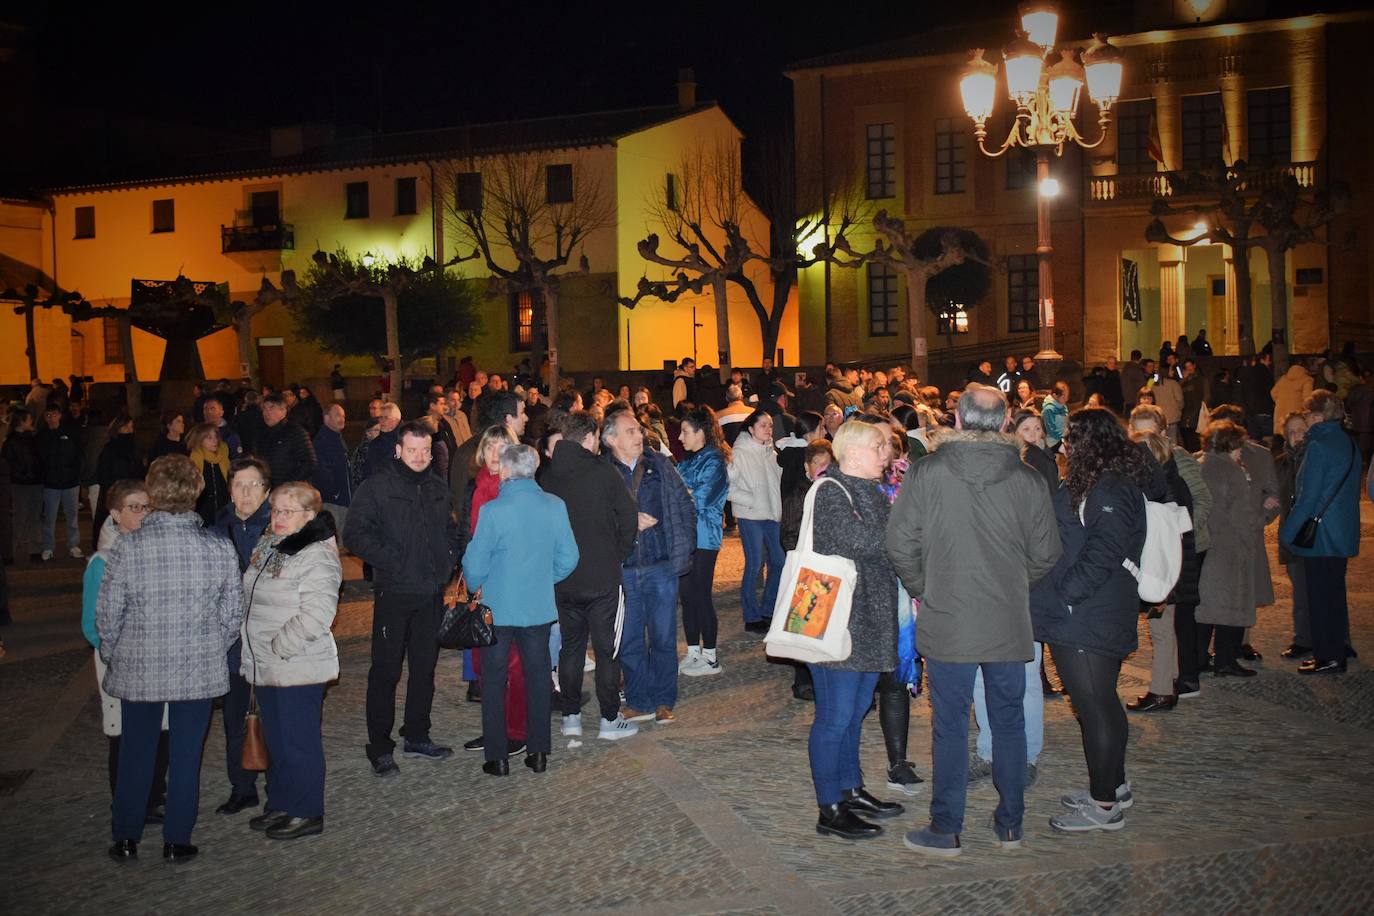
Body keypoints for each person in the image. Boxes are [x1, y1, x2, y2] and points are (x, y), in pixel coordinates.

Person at [887, 385, 1060, 856]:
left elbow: (900, 543)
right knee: (1008, 722)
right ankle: (1010, 823)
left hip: (949, 620)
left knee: (949, 725)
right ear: (1005, 424)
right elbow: (1047, 553)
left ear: (958, 421)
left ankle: (946, 827)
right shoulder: (1027, 480)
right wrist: (1012, 585)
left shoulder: (927, 473)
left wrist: (927, 587)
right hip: (1006, 619)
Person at [97, 455, 244, 862]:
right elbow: (232, 614)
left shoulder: (128, 546)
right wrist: (212, 647)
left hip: (139, 666)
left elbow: (108, 613)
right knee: (185, 756)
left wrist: (116, 653)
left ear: (154, 493)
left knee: (136, 753)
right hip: (196, 668)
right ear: (195, 492)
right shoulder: (217, 546)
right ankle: (177, 839)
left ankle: (126, 837)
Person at [783, 419, 905, 840]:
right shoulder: (831, 491)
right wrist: (903, 531)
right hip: (839, 622)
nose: (886, 454)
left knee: (856, 712)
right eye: (879, 446)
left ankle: (851, 789)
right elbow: (859, 542)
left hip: (868, 619)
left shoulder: (870, 490)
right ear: (853, 452)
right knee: (834, 716)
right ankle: (829, 808)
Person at [1036, 408, 1149, 833]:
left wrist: (1067, 597)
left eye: (1071, 437)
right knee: (1100, 703)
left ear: (1091, 443)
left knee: (1094, 707)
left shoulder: (1109, 487)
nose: (1064, 444)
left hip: (1089, 615)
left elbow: (1104, 549)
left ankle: (1104, 806)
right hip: (1089, 612)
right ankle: (1113, 786)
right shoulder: (1099, 481)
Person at [345, 421, 462, 776]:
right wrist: (392, 560)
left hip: (430, 593)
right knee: (385, 672)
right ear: (398, 450)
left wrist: (450, 559)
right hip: (394, 592)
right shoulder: (377, 487)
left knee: (424, 670)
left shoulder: (436, 486)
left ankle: (417, 734)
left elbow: (449, 529)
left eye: (425, 450)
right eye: (412, 450)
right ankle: (380, 746)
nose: (419, 456)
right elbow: (355, 534)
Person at [463, 445, 579, 775]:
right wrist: (546, 578)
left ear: (507, 471)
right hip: (538, 608)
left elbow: (474, 562)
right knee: (539, 677)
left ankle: (497, 757)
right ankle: (539, 751)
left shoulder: (494, 511)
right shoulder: (555, 506)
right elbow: (570, 557)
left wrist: (477, 587)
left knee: (494, 680)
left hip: (498, 609)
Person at [240, 481, 341, 839]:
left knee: (299, 741)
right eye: (275, 510)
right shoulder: (271, 545)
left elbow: (318, 614)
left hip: (297, 664)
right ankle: (281, 802)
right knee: (278, 741)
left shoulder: (314, 553)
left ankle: (307, 810)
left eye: (287, 511)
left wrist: (279, 646)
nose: (278, 517)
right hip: (267, 664)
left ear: (309, 516)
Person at [539, 411, 641, 740]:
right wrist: (619, 553)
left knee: (571, 648)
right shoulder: (602, 471)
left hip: (563, 579)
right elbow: (629, 516)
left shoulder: (547, 476)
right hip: (601, 577)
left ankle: (571, 716)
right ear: (590, 438)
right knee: (606, 649)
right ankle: (609, 719)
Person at [602, 410, 696, 726]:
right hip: (623, 569)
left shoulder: (659, 465)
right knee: (629, 640)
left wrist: (681, 546)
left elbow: (684, 504)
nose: (639, 435)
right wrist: (628, 524)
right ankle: (639, 700)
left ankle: (664, 700)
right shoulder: (602, 473)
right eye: (630, 431)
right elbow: (593, 520)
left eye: (639, 430)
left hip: (660, 566)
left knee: (664, 638)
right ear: (611, 438)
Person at [82, 480, 166, 822]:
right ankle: (126, 800)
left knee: (162, 730)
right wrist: (120, 654)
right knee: (125, 734)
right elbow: (92, 625)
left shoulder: (156, 552)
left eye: (147, 506)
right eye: (135, 507)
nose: (143, 514)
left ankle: (154, 796)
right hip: (120, 662)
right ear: (115, 514)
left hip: (157, 657)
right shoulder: (102, 562)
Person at [1282, 391, 1361, 674]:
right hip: (1343, 531)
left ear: (1317, 415)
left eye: (1307, 415)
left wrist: (1288, 533)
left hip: (1321, 535)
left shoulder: (1318, 445)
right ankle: (1339, 648)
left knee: (1320, 597)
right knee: (1335, 593)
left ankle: (1327, 656)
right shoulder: (1348, 443)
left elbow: (1309, 496)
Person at [211, 457, 274, 815]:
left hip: (269, 641)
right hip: (233, 642)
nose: (246, 492)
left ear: (266, 490)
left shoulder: (280, 526)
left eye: (253, 485)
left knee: (272, 716)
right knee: (236, 716)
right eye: (238, 485)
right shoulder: (218, 529)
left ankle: (276, 786)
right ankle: (242, 786)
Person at [1196, 419, 1271, 678]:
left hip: (1207, 546)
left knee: (1205, 607)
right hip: (1231, 548)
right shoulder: (1231, 471)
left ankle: (1199, 658)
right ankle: (1226, 661)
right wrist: (1264, 514)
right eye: (1240, 445)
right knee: (1231, 606)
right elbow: (1242, 515)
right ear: (1232, 445)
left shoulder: (1202, 465)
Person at [676, 407, 730, 676]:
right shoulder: (686, 461)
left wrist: (682, 492)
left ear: (701, 432)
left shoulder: (714, 460)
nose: (680, 436)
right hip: (685, 536)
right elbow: (677, 492)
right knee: (686, 596)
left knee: (700, 595)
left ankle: (710, 656)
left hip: (704, 537)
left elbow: (700, 498)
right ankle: (693, 650)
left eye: (685, 431)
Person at [728, 410, 785, 633]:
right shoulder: (740, 453)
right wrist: (749, 500)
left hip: (772, 515)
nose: (768, 429)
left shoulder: (772, 454)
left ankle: (768, 609)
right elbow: (728, 486)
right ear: (750, 429)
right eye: (763, 425)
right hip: (750, 516)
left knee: (779, 562)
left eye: (770, 425)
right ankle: (751, 616)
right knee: (755, 564)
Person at [1274, 412, 1313, 659]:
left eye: (1301, 430)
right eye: (1292, 432)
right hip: (1291, 533)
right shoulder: (1281, 462)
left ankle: (1334, 638)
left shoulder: (1315, 457)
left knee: (1322, 589)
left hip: (1314, 533)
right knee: (1300, 590)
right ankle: (1303, 639)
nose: (1297, 436)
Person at [38, 404, 84, 560]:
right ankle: (48, 547)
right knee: (49, 518)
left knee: (72, 517)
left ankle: (73, 545)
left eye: (54, 414)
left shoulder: (69, 432)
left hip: (70, 481)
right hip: (51, 483)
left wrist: (76, 474)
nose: (51, 418)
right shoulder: (42, 435)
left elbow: (78, 454)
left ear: (60, 415)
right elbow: (40, 458)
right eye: (48, 415)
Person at [92, 414, 142, 551]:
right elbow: (104, 473)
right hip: (116, 493)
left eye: (131, 427)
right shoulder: (110, 449)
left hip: (131, 492)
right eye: (127, 427)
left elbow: (138, 470)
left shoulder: (133, 447)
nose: (130, 430)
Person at [3, 408, 42, 562]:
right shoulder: (11, 441)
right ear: (22, 421)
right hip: (21, 484)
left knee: (34, 516)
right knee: (21, 517)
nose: (31, 422)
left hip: (35, 482)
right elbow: (9, 464)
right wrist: (24, 475)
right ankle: (11, 550)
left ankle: (35, 549)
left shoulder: (32, 437)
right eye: (29, 419)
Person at [254, 394, 318, 486]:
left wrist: (288, 484)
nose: (266, 413)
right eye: (264, 408)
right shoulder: (260, 433)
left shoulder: (296, 431)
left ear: (283, 411)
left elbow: (310, 463)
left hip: (289, 491)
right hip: (266, 489)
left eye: (271, 408)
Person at [312, 403, 351, 537]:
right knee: (334, 538)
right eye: (338, 415)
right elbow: (321, 470)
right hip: (333, 500)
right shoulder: (322, 440)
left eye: (343, 416)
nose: (342, 419)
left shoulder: (336, 438)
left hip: (341, 498)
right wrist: (335, 492)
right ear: (326, 418)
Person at [184, 422, 231, 527]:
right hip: (202, 510)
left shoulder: (224, 455)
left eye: (215, 437)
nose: (214, 441)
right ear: (200, 440)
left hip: (224, 509)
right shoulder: (194, 460)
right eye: (209, 438)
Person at [1270, 362, 1314, 437]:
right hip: (1296, 412)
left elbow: (1273, 393)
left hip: (1280, 411)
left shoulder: (1283, 379)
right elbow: (1307, 399)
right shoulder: (1306, 380)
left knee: (1281, 434)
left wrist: (1280, 401)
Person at [1041, 381, 1069, 451]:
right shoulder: (1049, 409)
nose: (1066, 399)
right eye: (1063, 396)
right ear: (1055, 395)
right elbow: (1051, 431)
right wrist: (1064, 437)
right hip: (1052, 442)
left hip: (1062, 438)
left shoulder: (1062, 405)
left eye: (1067, 396)